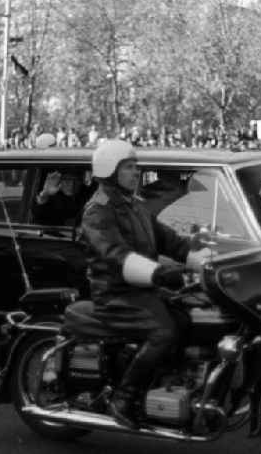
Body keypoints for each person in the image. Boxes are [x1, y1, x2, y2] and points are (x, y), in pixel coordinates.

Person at [80, 139, 210, 428]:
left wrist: (199, 256)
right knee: (163, 331)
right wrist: (160, 273)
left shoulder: (136, 205)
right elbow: (115, 255)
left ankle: (168, 384)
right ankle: (124, 398)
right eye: (128, 167)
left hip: (141, 288)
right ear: (110, 170)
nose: (136, 172)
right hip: (114, 293)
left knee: (189, 317)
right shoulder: (98, 210)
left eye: (136, 166)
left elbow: (168, 239)